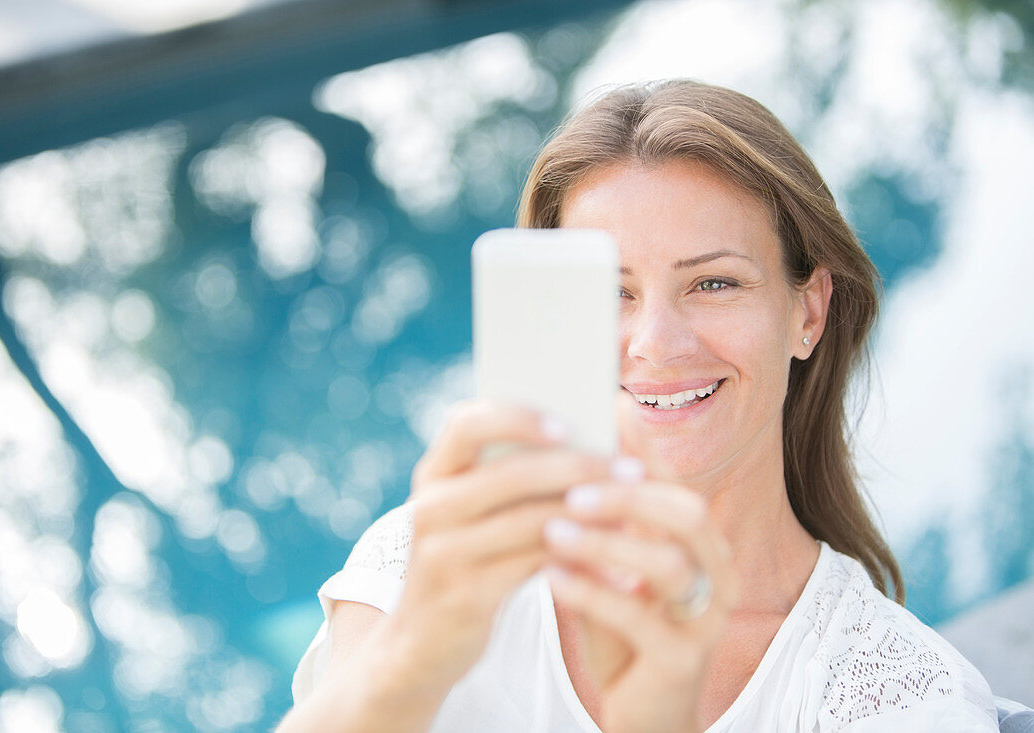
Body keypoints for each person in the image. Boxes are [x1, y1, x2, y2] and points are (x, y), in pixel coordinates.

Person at [277, 80, 997, 732]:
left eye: (714, 283)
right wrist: (414, 661)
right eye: (607, 290)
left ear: (807, 312)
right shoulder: (421, 568)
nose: (655, 344)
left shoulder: (901, 697)